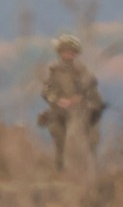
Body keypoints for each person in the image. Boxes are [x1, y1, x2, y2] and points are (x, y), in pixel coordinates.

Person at [38, 34, 105, 170]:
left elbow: (91, 90)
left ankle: (89, 169)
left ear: (75, 53)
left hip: (81, 110)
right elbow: (47, 90)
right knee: (59, 138)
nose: (68, 54)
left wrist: (80, 99)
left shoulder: (82, 71)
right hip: (60, 110)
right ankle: (60, 168)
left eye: (71, 52)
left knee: (88, 139)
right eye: (65, 51)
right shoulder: (53, 70)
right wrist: (58, 100)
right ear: (60, 53)